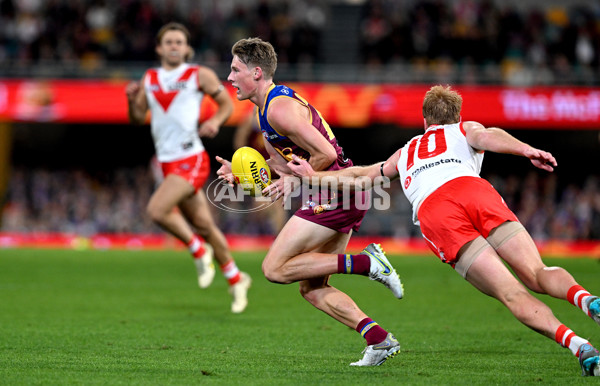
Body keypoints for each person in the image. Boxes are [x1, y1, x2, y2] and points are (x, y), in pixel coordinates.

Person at [282, 85, 600, 376]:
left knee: (512, 293)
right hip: (475, 191)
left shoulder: (407, 151)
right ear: (457, 116)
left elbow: (361, 176)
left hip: (436, 210)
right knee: (537, 272)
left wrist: (312, 177)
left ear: (424, 122)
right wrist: (526, 149)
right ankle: (587, 301)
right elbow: (488, 135)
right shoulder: (465, 129)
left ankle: (579, 346)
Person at [216, 37, 404, 366]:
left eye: (235, 70)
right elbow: (278, 165)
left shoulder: (279, 109)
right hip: (337, 193)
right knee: (312, 288)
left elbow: (327, 153)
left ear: (256, 72)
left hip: (334, 191)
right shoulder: (265, 111)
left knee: (273, 269)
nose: (229, 77)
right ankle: (377, 338)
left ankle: (366, 263)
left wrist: (292, 180)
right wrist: (243, 173)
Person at [125, 22, 251, 314]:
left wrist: (215, 122)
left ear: (187, 48)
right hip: (168, 162)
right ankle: (235, 278)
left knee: (157, 210)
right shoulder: (150, 78)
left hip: (190, 157)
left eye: (179, 42)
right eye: (168, 42)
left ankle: (197, 249)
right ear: (159, 48)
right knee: (206, 225)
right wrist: (132, 102)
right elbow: (136, 117)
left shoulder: (198, 75)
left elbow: (226, 105)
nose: (173, 46)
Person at [233, 107, 286, 234]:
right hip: (256, 168)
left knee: (277, 203)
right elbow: (240, 139)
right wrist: (242, 161)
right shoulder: (251, 118)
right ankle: (258, 233)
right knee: (260, 204)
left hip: (274, 168)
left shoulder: (277, 116)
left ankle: (278, 235)